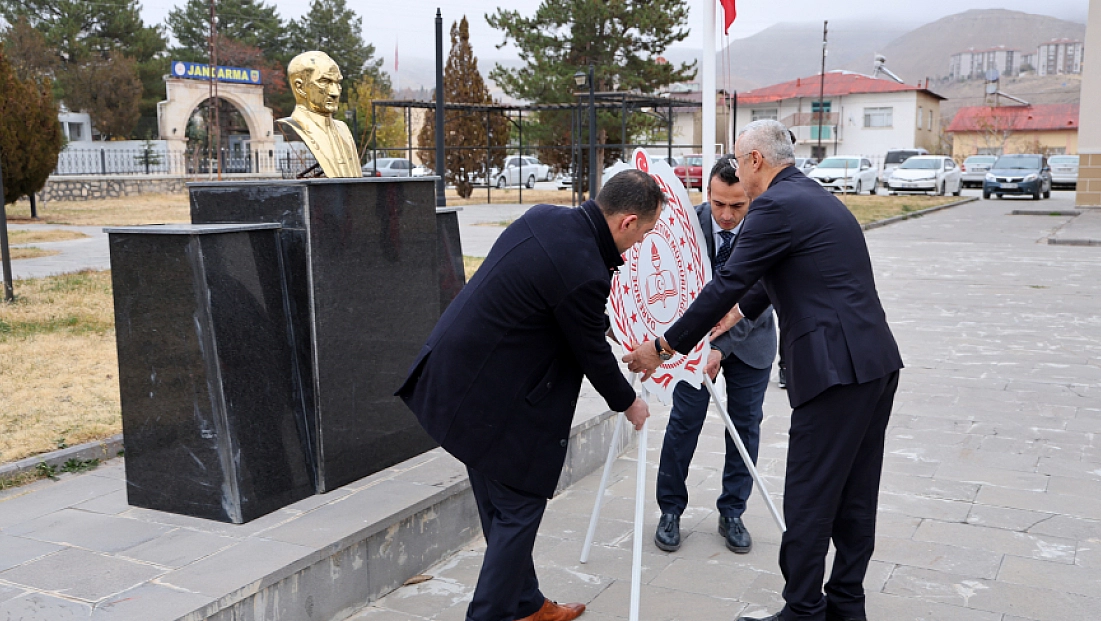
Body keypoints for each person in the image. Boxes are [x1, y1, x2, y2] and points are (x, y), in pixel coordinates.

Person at [624, 119, 903, 621]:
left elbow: (728, 281)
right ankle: (846, 606)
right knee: (855, 494)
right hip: (875, 361)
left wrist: (663, 347)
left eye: (737, 158)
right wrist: (736, 314)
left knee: (809, 497)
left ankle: (802, 610)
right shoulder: (812, 197)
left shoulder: (774, 205)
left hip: (834, 368)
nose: (735, 169)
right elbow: (770, 278)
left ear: (756, 160)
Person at [397, 169, 662, 621]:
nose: (639, 245)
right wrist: (628, 401)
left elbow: (571, 315)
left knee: (502, 508)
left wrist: (616, 339)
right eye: (644, 234)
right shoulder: (583, 269)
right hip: (490, 398)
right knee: (518, 511)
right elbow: (590, 352)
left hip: (460, 376)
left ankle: (526, 604)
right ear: (627, 221)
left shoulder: (545, 218)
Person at [653, 156, 777, 555]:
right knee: (684, 421)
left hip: (749, 341)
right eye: (718, 203)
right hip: (691, 347)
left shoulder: (768, 227)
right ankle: (670, 509)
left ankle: (732, 512)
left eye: (736, 206)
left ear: (751, 198)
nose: (725, 215)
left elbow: (762, 297)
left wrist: (720, 348)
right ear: (707, 192)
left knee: (745, 427)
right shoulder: (685, 225)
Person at [276, 51, 360, 178]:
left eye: (337, 83)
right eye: (325, 82)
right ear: (300, 87)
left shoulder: (343, 129)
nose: (335, 92)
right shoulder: (292, 125)